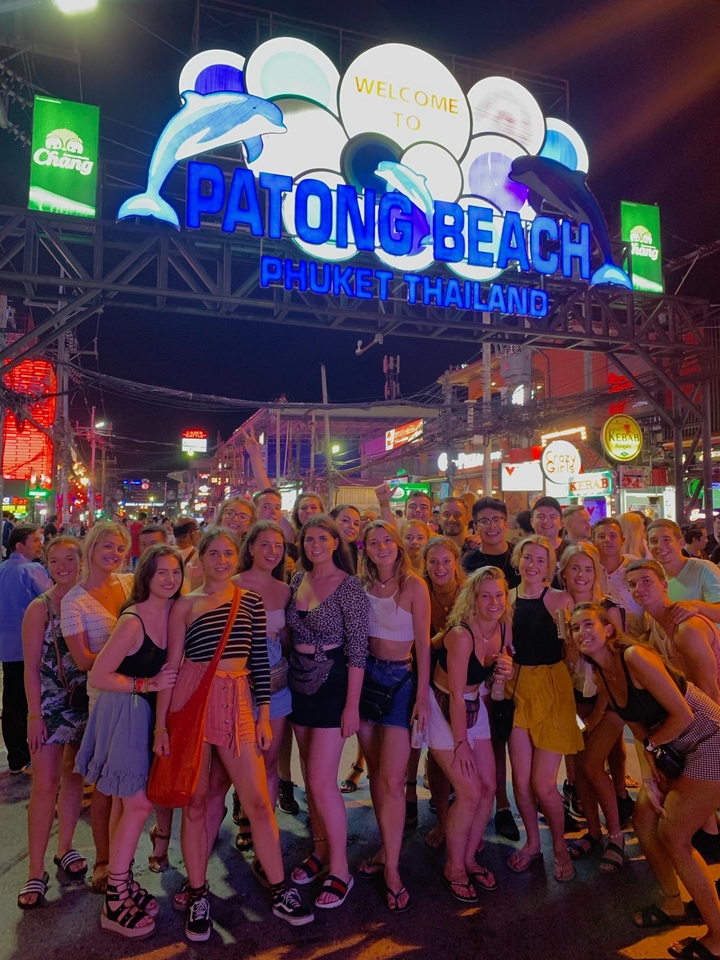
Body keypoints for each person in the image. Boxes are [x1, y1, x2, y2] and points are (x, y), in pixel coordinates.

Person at [157, 529, 313, 939]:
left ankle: (280, 887)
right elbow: (172, 667)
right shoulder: (185, 606)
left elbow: (259, 661)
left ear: (235, 556)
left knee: (258, 801)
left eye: (228, 553)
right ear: (201, 559)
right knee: (196, 803)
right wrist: (162, 725)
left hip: (238, 702)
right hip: (192, 704)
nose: (222, 560)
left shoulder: (250, 602)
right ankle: (198, 892)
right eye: (214, 553)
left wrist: (263, 714)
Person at [572, 603, 720, 960]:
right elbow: (639, 730)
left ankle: (718, 936)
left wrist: (655, 749)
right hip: (677, 750)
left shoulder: (634, 656)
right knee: (643, 820)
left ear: (608, 629)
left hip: (710, 741)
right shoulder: (604, 673)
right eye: (575, 629)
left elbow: (683, 716)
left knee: (674, 835)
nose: (581, 633)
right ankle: (672, 903)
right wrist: (652, 775)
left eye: (588, 624)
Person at [74, 545, 182, 938]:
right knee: (137, 804)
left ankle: (123, 883)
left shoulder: (170, 612)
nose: (169, 579)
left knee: (125, 802)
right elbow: (99, 674)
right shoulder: (134, 619)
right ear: (146, 576)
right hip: (124, 712)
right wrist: (146, 683)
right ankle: (116, 899)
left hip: (141, 714)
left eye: (176, 572)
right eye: (161, 573)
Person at [286, 516, 369, 910]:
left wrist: (352, 705)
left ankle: (340, 869)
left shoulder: (349, 587)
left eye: (323, 538)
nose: (315, 544)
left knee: (321, 781)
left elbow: (357, 650)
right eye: (309, 538)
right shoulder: (294, 580)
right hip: (297, 684)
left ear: (337, 543)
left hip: (334, 684)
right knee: (307, 773)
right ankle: (320, 850)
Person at [356, 521, 430, 912]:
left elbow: (423, 645)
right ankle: (386, 847)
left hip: (402, 680)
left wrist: (423, 697)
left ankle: (394, 869)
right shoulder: (361, 587)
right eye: (374, 542)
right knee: (374, 773)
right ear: (365, 549)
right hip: (367, 676)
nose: (382, 547)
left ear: (399, 547)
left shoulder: (414, 586)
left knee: (394, 777)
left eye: (388, 541)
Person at [428, 567, 514, 902]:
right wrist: (461, 743)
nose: (493, 602)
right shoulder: (461, 635)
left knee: (489, 787)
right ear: (473, 599)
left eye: (499, 595)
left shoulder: (505, 628)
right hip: (444, 707)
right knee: (468, 789)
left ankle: (468, 859)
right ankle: (454, 867)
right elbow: (453, 695)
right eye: (486, 595)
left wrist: (503, 674)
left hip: (473, 703)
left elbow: (494, 688)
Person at [61, 521, 134, 893]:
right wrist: (128, 652)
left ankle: (126, 857)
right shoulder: (73, 600)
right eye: (107, 546)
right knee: (106, 784)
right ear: (90, 549)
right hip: (104, 698)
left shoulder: (128, 584)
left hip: (138, 693)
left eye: (120, 548)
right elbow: (84, 659)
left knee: (133, 784)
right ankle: (105, 861)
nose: (114, 554)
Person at [506, 535, 582, 881]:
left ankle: (560, 847)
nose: (532, 565)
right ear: (517, 560)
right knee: (520, 783)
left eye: (540, 559)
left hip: (552, 689)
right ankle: (533, 843)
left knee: (543, 784)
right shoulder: (504, 599)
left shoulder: (558, 601)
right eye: (527, 557)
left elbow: (571, 649)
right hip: (516, 688)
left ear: (549, 567)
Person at [18, 537, 87, 909]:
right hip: (49, 705)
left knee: (75, 777)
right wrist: (33, 714)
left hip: (84, 701)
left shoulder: (87, 601)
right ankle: (35, 869)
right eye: (56, 560)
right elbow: (28, 669)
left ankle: (66, 848)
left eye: (70, 559)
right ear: (47, 563)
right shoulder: (39, 608)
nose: (64, 566)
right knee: (45, 785)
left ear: (81, 560)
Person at [557, 543, 631, 873]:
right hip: (575, 701)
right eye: (575, 568)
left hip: (610, 703)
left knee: (592, 764)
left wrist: (599, 712)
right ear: (564, 573)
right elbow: (563, 663)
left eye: (588, 569)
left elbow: (616, 666)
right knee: (580, 769)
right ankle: (593, 831)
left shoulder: (608, 610)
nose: (582, 575)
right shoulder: (559, 612)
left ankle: (616, 837)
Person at [232, 520, 297, 846]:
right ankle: (245, 816)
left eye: (279, 546)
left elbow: (285, 641)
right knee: (242, 761)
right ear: (251, 548)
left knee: (269, 762)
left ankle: (264, 831)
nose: (272, 551)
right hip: (238, 689)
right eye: (265, 545)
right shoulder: (232, 585)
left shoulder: (285, 590)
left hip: (275, 687)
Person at [421, 536, 467, 847]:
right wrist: (447, 634)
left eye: (445, 561)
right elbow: (415, 643)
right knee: (437, 756)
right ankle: (441, 819)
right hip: (428, 677)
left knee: (469, 752)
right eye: (433, 561)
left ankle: (470, 819)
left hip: (466, 682)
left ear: (455, 562)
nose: (440, 567)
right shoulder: (418, 590)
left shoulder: (469, 592)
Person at [0, 524, 53, 775]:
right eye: (34, 540)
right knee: (34, 701)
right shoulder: (33, 570)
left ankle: (16, 757)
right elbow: (51, 600)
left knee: (11, 700)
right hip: (32, 645)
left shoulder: (1, 569)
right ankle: (38, 753)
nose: (39, 544)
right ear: (19, 545)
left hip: (7, 647)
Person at [648, 519, 720, 625]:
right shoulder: (654, 575)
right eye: (654, 541)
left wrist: (696, 606)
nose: (660, 546)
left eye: (667, 540)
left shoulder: (704, 569)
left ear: (681, 543)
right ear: (648, 547)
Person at [593, 517, 646, 636]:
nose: (607, 540)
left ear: (622, 540)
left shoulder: (637, 568)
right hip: (600, 641)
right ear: (593, 542)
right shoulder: (590, 571)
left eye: (613, 536)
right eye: (601, 536)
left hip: (637, 638)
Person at [463, 497, 521, 587]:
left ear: (506, 525)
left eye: (496, 520)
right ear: (476, 528)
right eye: (484, 521)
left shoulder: (521, 557)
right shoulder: (468, 564)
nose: (491, 525)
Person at [329, 504, 362, 571]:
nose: (352, 526)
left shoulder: (355, 548)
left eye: (356, 524)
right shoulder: (324, 548)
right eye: (345, 520)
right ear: (332, 520)